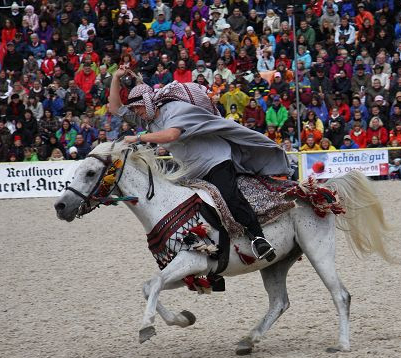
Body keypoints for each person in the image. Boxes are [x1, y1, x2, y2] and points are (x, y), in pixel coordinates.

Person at [109, 68, 289, 261]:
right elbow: (113, 107)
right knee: (178, 206)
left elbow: (171, 135)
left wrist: (137, 138)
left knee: (229, 196)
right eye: (134, 109)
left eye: (138, 108)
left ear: (147, 103)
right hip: (189, 170)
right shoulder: (147, 120)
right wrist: (115, 77)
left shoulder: (176, 110)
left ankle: (258, 238)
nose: (136, 112)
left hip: (215, 161)